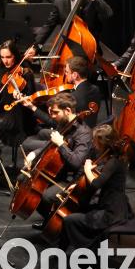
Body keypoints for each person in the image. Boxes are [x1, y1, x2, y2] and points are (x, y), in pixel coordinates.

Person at [20, 92, 93, 229]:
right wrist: (34, 155)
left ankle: (60, 225)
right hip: (60, 171)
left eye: (55, 112)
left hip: (74, 179)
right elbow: (50, 147)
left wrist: (61, 144)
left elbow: (76, 162)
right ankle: (49, 220)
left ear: (68, 110)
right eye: (51, 112)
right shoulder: (63, 124)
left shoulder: (83, 133)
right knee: (24, 180)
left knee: (46, 196)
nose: (52, 116)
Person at [59, 124, 132, 253]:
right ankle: (72, 253)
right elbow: (103, 179)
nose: (93, 143)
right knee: (80, 210)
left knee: (69, 220)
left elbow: (96, 184)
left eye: (95, 141)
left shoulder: (114, 162)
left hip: (111, 212)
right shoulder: (115, 158)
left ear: (104, 143)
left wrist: (87, 170)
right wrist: (79, 184)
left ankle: (78, 253)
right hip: (113, 206)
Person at [29, 0, 114, 54]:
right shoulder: (59, 1)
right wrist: (35, 47)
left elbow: (108, 14)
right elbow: (48, 26)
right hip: (66, 49)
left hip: (89, 50)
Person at [19, 55, 102, 132]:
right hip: (91, 131)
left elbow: (54, 123)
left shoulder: (72, 99)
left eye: (67, 72)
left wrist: (32, 107)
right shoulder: (96, 89)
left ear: (75, 75)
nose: (65, 74)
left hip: (73, 136)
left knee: (40, 132)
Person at [0, 41, 36, 150]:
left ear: (15, 55)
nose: (5, 61)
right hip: (0, 110)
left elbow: (31, 98)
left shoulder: (26, 73)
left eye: (8, 57)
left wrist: (21, 96)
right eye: (2, 57)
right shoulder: (0, 71)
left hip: (18, 114)